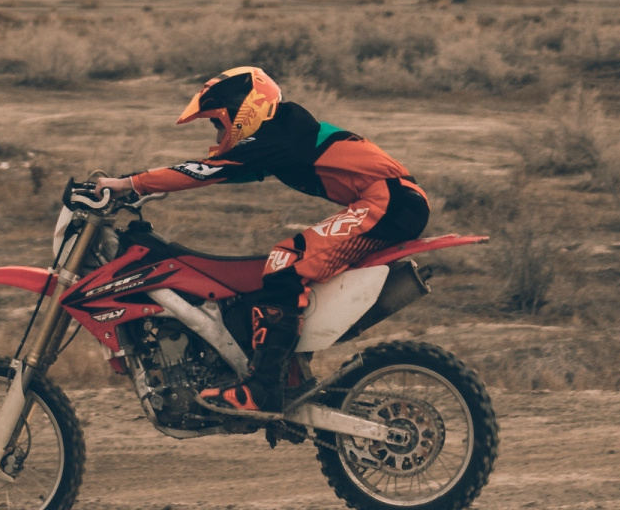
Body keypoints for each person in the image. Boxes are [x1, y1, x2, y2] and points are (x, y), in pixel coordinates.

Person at [96, 66, 428, 414]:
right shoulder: (282, 132)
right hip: (389, 201)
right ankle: (288, 373)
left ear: (243, 108)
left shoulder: (277, 134)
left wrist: (130, 183)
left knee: (286, 262)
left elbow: (208, 171)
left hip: (390, 202)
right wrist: (144, 191)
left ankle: (265, 387)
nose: (219, 130)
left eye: (219, 121)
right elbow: (227, 172)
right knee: (285, 262)